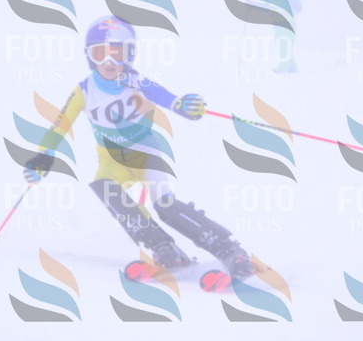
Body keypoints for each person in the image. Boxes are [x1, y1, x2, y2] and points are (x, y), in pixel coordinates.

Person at [23, 16, 254, 280]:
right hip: (112, 161)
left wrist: (185, 106)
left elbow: (168, 99)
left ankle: (228, 249)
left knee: (164, 205)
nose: (108, 62)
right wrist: (43, 156)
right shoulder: (84, 91)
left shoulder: (136, 81)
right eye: (99, 54)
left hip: (146, 156)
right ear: (89, 56)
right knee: (106, 188)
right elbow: (59, 125)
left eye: (116, 54)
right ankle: (164, 248)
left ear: (129, 55)